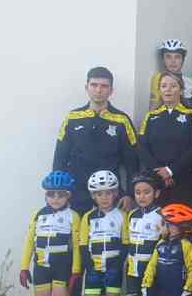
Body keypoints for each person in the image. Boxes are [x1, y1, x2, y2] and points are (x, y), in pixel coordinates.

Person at [54, 66, 138, 216]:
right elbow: (60, 158)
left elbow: (132, 163)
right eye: (94, 85)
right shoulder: (72, 118)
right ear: (87, 87)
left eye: (104, 86)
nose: (99, 90)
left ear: (111, 90)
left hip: (110, 194)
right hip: (76, 192)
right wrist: (58, 192)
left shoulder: (122, 120)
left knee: (108, 238)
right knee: (78, 237)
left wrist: (129, 194)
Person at [20, 171, 81, 296]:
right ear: (46, 195)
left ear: (68, 195)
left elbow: (77, 245)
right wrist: (24, 267)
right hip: (41, 266)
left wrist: (76, 270)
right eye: (51, 194)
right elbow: (30, 242)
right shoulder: (38, 215)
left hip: (62, 265)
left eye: (60, 194)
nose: (55, 198)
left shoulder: (73, 216)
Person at [71, 170, 125, 296]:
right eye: (99, 194)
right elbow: (83, 244)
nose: (104, 197)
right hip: (94, 269)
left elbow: (125, 243)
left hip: (113, 268)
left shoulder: (122, 216)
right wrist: (88, 266)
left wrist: (118, 265)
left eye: (109, 193)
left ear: (115, 193)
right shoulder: (87, 218)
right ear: (93, 195)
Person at [117, 170, 164, 296]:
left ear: (156, 193)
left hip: (151, 268)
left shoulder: (161, 215)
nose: (141, 196)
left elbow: (163, 243)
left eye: (146, 192)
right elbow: (127, 240)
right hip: (133, 268)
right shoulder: (132, 215)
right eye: (137, 192)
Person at [138, 72, 192, 207]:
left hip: (184, 179)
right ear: (159, 90)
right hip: (155, 181)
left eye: (173, 86)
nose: (168, 89)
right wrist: (159, 172)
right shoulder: (150, 116)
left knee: (181, 225)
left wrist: (170, 171)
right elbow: (141, 146)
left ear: (181, 90)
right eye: (164, 86)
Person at [149, 40, 192, 110]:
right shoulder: (157, 79)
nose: (173, 61)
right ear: (163, 60)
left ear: (183, 60)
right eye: (168, 57)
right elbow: (152, 108)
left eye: (177, 57)